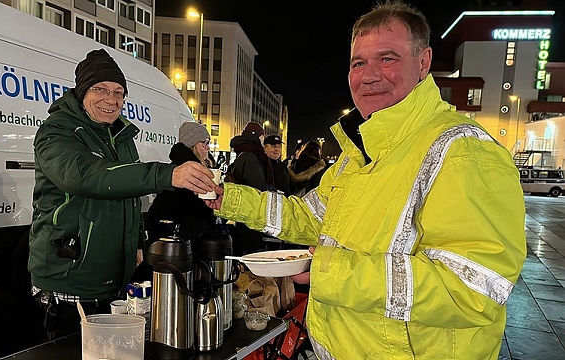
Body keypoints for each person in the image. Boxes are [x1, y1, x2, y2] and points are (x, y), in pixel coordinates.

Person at [205, 2, 526, 359]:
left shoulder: (463, 151)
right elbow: (307, 217)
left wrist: (328, 272)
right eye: (358, 63)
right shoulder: (356, 156)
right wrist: (227, 198)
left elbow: (470, 292)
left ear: (423, 62)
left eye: (387, 59)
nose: (368, 76)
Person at [28, 49, 216, 340]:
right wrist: (168, 174)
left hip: (116, 276)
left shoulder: (121, 135)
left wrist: (138, 241)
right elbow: (87, 176)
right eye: (100, 89)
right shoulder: (57, 131)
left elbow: (129, 193)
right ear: (81, 93)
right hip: (71, 276)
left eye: (118, 92)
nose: (111, 99)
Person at [146, 122, 217, 244]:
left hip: (194, 238)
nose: (208, 148)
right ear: (192, 144)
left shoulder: (198, 168)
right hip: (184, 241)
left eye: (208, 143)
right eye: (203, 143)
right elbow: (161, 209)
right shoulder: (181, 171)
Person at [228, 122, 276, 255]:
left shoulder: (244, 152)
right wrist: (273, 190)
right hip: (250, 209)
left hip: (245, 209)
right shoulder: (250, 155)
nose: (262, 140)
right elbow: (257, 185)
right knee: (251, 247)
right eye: (261, 137)